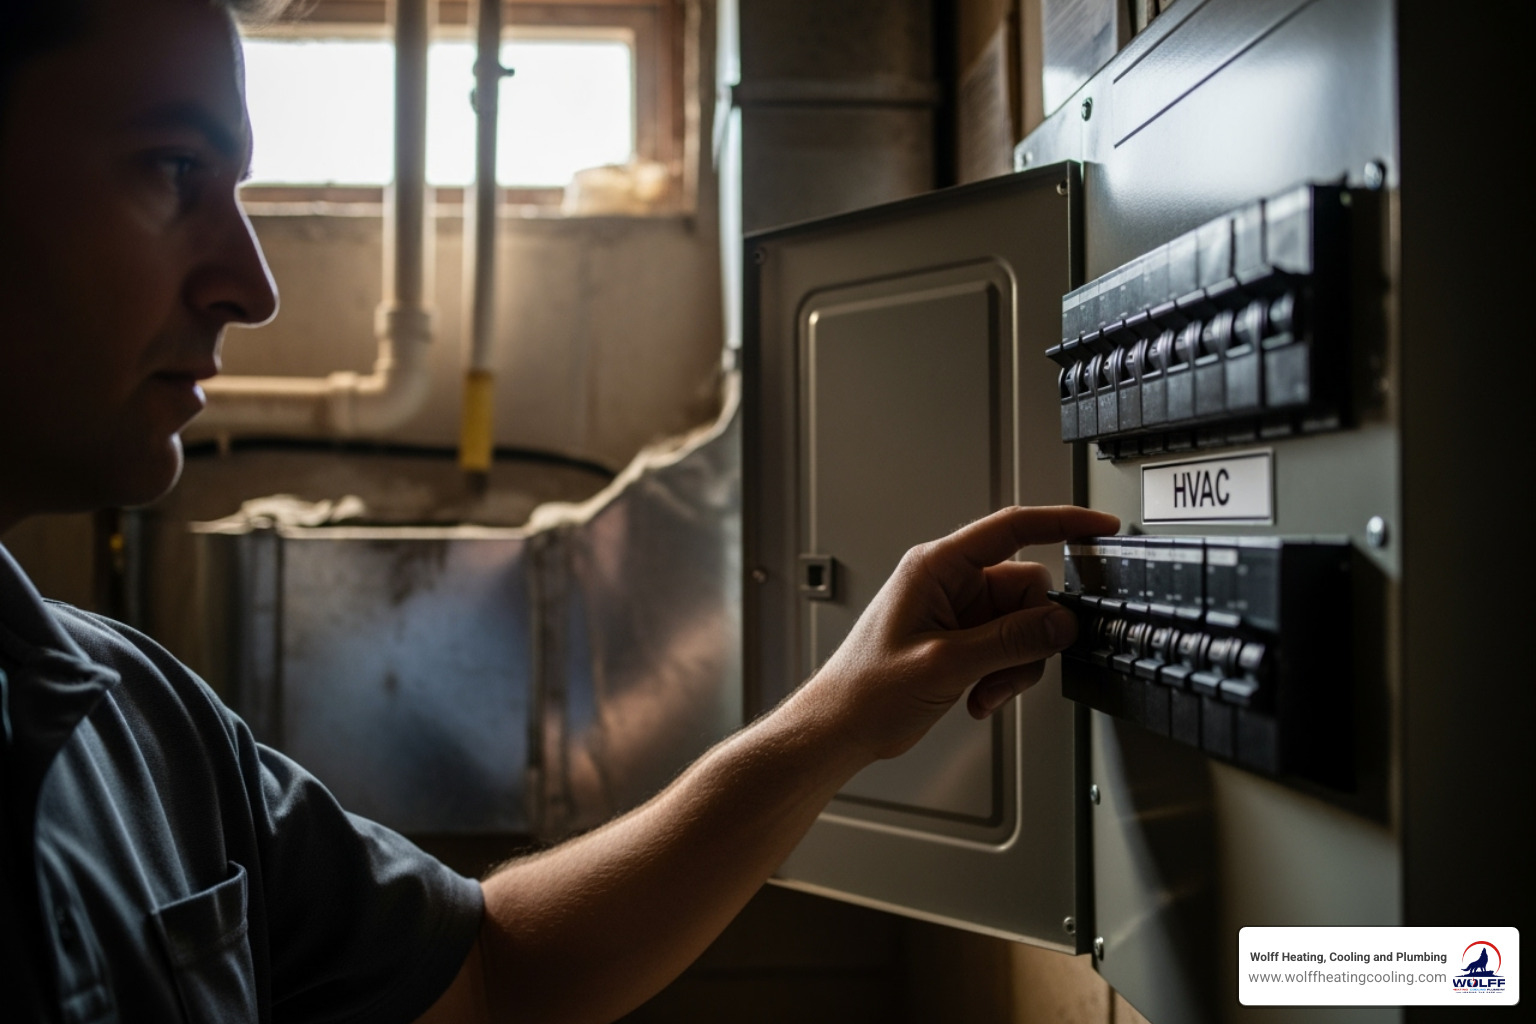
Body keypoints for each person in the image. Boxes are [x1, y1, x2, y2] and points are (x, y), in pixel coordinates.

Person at [0, 0, 1121, 1020]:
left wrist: (835, 719)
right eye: (170, 166)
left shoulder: (141, 726)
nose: (251, 284)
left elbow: (494, 968)